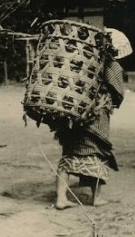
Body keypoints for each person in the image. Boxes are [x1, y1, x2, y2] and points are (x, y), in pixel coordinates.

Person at [53, 35, 125, 209]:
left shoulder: (78, 58)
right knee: (96, 153)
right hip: (96, 117)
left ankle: (61, 198)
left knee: (70, 154)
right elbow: (118, 93)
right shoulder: (112, 65)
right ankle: (96, 198)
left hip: (74, 112)